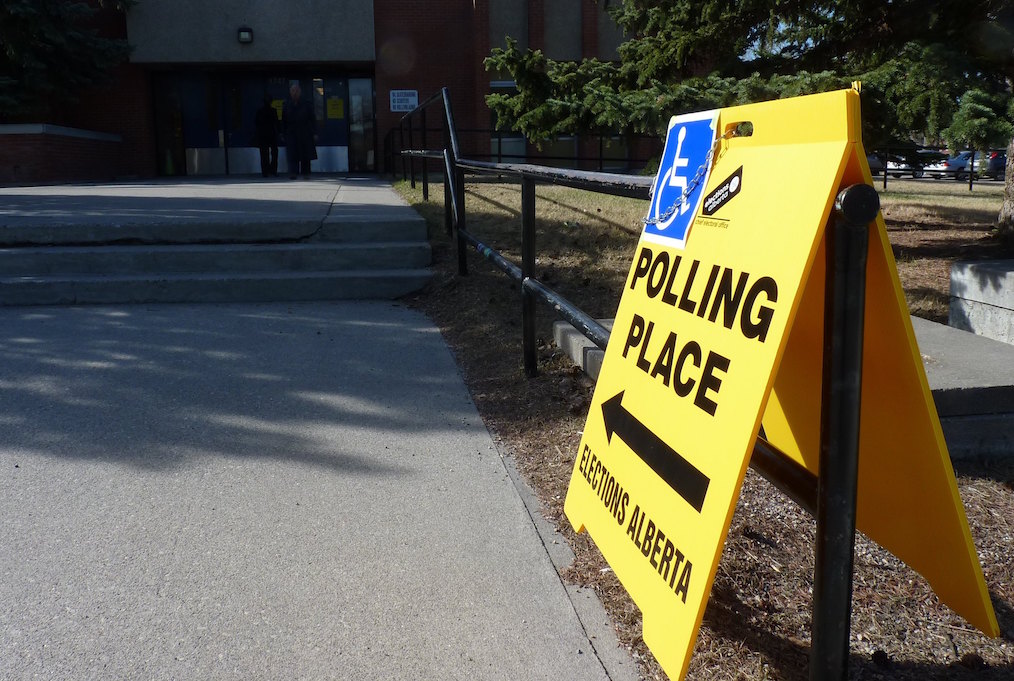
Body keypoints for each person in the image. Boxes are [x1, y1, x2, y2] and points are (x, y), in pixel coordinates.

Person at [282, 83, 316, 179]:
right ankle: (293, 172)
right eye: (293, 91)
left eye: (296, 91)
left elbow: (312, 119)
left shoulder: (306, 103)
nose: (295, 93)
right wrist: (283, 133)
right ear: (290, 92)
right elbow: (284, 120)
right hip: (291, 132)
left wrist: (314, 132)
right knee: (292, 153)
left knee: (305, 154)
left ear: (300, 92)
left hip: (304, 132)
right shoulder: (287, 104)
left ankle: (306, 173)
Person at [254, 95, 279, 177]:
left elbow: (257, 124)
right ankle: (273, 170)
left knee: (264, 154)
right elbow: (276, 123)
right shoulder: (273, 111)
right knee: (274, 153)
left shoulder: (259, 111)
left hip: (262, 135)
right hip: (272, 134)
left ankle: (265, 171)